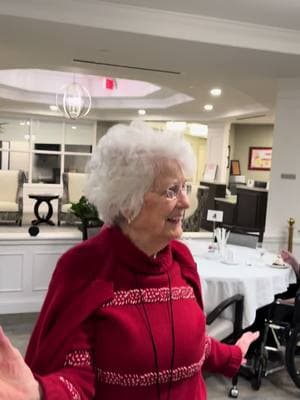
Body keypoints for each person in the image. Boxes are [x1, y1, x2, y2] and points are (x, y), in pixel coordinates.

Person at [0, 121, 259, 400]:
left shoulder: (181, 259)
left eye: (185, 187)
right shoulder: (85, 267)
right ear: (128, 202)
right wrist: (39, 393)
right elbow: (76, 375)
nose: (185, 202)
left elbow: (193, 343)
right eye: (171, 190)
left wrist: (233, 354)